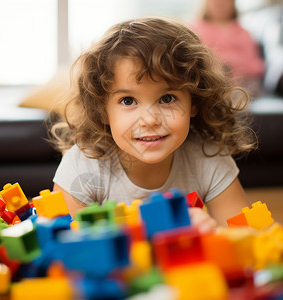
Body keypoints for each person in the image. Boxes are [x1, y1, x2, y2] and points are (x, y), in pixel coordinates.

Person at [50, 16, 256, 232]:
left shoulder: (208, 159)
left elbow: (248, 237)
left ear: (194, 101)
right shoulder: (83, 167)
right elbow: (62, 250)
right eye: (128, 101)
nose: (149, 120)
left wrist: (212, 234)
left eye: (167, 98)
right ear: (101, 111)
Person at [192, 0, 265, 97]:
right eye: (217, 3)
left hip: (242, 83)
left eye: (226, 2)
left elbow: (254, 66)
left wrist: (233, 67)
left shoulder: (244, 33)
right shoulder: (195, 29)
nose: (221, 6)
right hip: (209, 82)